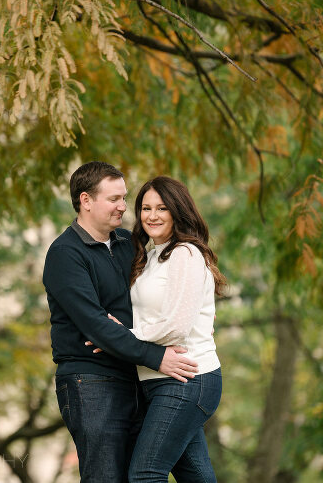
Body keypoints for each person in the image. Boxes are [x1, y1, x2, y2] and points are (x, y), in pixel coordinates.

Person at [42, 162, 200, 482]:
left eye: (124, 198)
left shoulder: (129, 243)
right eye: (114, 199)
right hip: (92, 382)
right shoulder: (65, 254)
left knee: (143, 474)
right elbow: (95, 324)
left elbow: (147, 304)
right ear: (86, 200)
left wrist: (120, 332)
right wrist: (156, 355)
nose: (123, 207)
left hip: (138, 377)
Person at [89, 176, 225, 482]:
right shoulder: (151, 257)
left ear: (178, 211)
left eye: (162, 208)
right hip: (160, 381)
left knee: (145, 474)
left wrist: (119, 337)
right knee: (196, 476)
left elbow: (176, 327)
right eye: (146, 208)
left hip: (189, 378)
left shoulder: (185, 254)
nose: (152, 215)